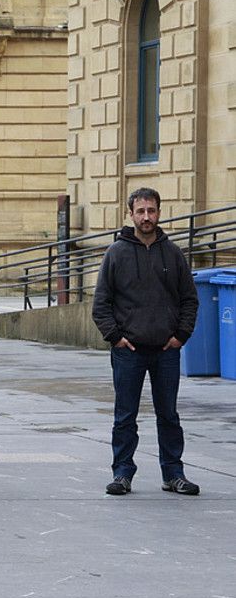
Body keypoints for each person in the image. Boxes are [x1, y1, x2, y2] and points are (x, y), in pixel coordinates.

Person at [93, 187, 200, 496]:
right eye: (140, 211)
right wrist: (116, 337)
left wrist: (181, 335)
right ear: (131, 214)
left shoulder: (173, 253)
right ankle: (122, 473)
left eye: (151, 211)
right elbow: (101, 303)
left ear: (159, 213)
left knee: (169, 414)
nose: (146, 217)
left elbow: (189, 300)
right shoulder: (116, 253)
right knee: (125, 415)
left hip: (166, 350)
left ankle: (173, 473)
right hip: (129, 351)